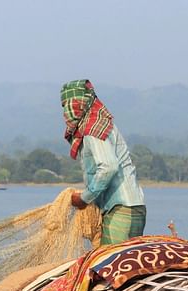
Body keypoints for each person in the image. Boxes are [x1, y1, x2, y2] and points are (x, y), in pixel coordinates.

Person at [61, 79, 146, 245]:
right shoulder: (100, 125)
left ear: (82, 104)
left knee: (112, 267)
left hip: (121, 209)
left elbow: (108, 167)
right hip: (130, 207)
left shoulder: (93, 129)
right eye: (64, 106)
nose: (67, 111)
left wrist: (84, 198)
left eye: (69, 105)